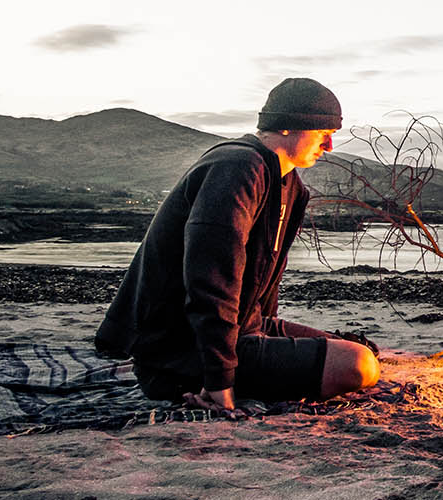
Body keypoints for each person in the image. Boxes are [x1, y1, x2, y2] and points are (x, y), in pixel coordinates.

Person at [96, 78, 380, 418]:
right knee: (357, 365)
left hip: (244, 329)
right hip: (179, 351)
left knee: (359, 350)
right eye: (323, 133)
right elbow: (211, 280)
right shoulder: (236, 168)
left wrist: (266, 336)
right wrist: (219, 381)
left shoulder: (289, 185)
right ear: (289, 126)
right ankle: (204, 379)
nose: (330, 145)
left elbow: (263, 282)